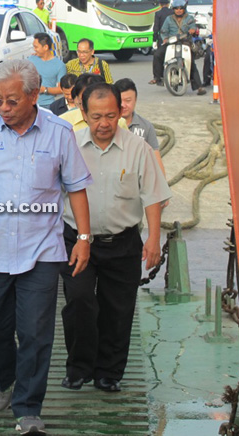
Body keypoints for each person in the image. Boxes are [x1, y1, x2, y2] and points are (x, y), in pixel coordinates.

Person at [0, 59, 93, 435]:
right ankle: (4, 378)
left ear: (33, 94)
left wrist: (83, 238)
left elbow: (76, 187)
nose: (4, 109)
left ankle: (28, 408)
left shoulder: (59, 132)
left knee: (35, 331)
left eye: (11, 101)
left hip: (42, 249)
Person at [60, 82, 171, 394]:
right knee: (80, 303)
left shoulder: (138, 148)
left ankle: (109, 372)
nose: (104, 123)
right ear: (83, 113)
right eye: (96, 117)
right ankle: (79, 367)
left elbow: (152, 194)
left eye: (110, 115)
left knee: (118, 309)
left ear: (121, 111)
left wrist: (152, 239)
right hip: (77, 241)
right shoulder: (70, 146)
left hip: (122, 242)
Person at [151, 0, 206, 95]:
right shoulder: (169, 19)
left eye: (181, 8)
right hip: (172, 42)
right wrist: (165, 38)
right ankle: (158, 78)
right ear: (173, 9)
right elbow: (163, 31)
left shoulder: (189, 18)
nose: (179, 10)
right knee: (157, 55)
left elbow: (193, 27)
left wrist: (192, 30)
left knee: (191, 62)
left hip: (185, 42)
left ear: (184, 9)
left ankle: (199, 87)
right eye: (176, 8)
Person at [114, 78, 166, 176]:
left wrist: (162, 186)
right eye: (120, 101)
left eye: (128, 100)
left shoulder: (146, 127)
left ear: (135, 100)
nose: (123, 105)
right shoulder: (107, 126)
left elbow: (156, 159)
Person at [28, 32, 65, 109]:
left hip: (48, 105)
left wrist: (45, 90)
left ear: (45, 47)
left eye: (36, 47)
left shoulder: (59, 65)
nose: (34, 49)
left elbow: (62, 89)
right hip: (30, 103)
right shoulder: (30, 60)